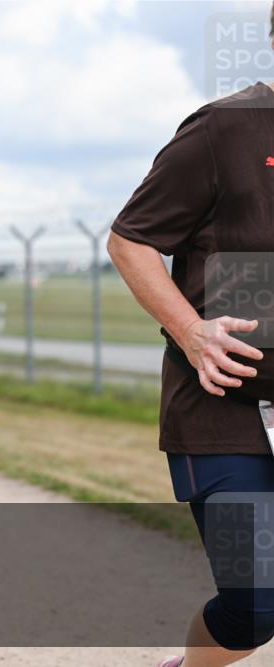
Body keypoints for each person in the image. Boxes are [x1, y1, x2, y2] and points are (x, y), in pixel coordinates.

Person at [108, 15, 273, 666]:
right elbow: (131, 239)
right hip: (223, 411)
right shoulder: (222, 130)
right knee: (257, 598)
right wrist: (191, 330)